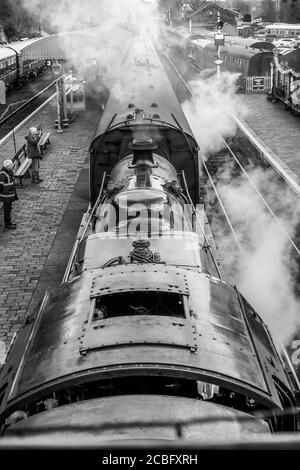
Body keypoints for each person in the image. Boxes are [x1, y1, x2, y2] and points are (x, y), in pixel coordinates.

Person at [0, 159, 18, 229]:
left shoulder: (8, 172)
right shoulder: (3, 174)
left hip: (8, 195)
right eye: (11, 166)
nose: (12, 167)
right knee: (7, 210)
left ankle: (9, 222)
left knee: (8, 209)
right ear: (8, 166)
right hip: (6, 196)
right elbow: (0, 185)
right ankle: (7, 223)